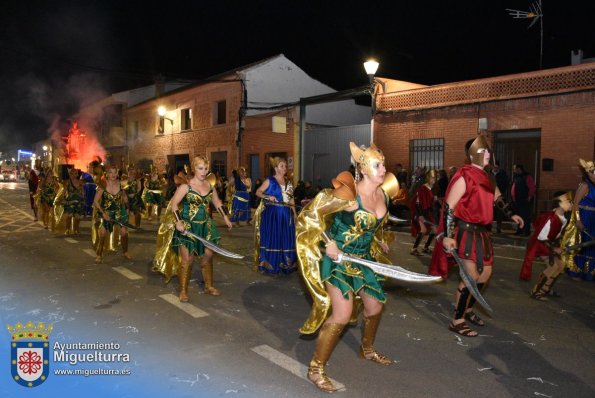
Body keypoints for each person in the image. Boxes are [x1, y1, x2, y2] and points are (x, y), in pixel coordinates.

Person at [296, 142, 400, 393]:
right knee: (342, 314)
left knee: (375, 307)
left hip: (364, 261)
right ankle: (316, 368)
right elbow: (311, 216)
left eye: (383, 163)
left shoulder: (383, 194)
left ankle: (367, 349)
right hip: (339, 261)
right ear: (363, 169)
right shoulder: (348, 194)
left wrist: (378, 241)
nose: (383, 168)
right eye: (378, 164)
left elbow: (371, 227)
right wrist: (328, 243)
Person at [435, 136, 523, 337]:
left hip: (483, 232)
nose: (489, 154)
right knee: (471, 276)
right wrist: (448, 236)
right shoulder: (464, 176)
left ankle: (467, 309)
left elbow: (498, 198)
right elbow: (449, 207)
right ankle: (457, 320)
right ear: (474, 153)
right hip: (466, 231)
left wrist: (512, 215)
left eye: (489, 151)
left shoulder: (489, 178)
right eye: (485, 151)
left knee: (484, 275)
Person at [153, 155, 232, 302]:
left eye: (206, 168)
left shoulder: (209, 186)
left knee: (209, 252)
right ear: (194, 168)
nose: (203, 171)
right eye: (200, 168)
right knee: (187, 260)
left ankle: (208, 283)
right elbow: (175, 204)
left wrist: (226, 217)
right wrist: (179, 222)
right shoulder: (186, 186)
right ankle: (183, 291)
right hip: (188, 226)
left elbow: (217, 202)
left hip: (205, 225)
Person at [516, 191, 572, 296]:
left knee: (561, 265)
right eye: (568, 201)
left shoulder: (563, 218)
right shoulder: (550, 218)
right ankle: (537, 291)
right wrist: (554, 249)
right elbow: (541, 237)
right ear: (559, 203)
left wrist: (558, 246)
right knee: (553, 266)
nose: (571, 204)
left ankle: (546, 288)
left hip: (548, 243)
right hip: (540, 244)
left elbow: (556, 235)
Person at [254, 157, 297, 274]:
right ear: (276, 168)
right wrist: (268, 197)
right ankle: (272, 264)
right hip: (274, 214)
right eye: (282, 166)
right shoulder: (270, 180)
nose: (285, 168)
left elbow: (291, 199)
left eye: (285, 166)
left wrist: (294, 214)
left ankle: (286, 264)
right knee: (275, 237)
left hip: (286, 214)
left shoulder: (289, 182)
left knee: (286, 238)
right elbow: (258, 192)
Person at [93, 166, 132, 263]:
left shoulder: (122, 184)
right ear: (107, 173)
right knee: (103, 233)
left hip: (120, 211)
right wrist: (103, 214)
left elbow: (125, 198)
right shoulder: (103, 184)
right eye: (111, 172)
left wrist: (127, 209)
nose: (113, 175)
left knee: (124, 232)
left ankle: (125, 251)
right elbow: (96, 201)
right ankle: (99, 254)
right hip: (106, 212)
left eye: (115, 172)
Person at [565, 159, 595, 281]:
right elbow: (576, 203)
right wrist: (578, 220)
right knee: (584, 244)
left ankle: (590, 272)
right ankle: (576, 271)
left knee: (592, 245)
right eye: (593, 172)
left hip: (594, 218)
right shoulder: (585, 185)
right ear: (588, 173)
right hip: (585, 216)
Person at [410, 169, 437, 256]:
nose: (434, 180)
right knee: (423, 230)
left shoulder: (431, 189)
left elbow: (430, 203)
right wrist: (420, 215)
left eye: (435, 178)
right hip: (420, 212)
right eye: (432, 178)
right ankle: (414, 249)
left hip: (428, 213)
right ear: (428, 178)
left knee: (434, 231)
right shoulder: (423, 188)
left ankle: (425, 247)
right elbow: (418, 202)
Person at [511, 164, 536, 236]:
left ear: (519, 169)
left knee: (525, 216)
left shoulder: (527, 176)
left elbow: (532, 188)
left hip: (524, 200)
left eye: (514, 169)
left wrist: (529, 197)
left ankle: (526, 231)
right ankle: (519, 230)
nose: (513, 171)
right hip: (517, 201)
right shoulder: (516, 177)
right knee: (519, 216)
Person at [61, 168, 85, 235]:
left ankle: (76, 228)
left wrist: (83, 198)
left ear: (77, 174)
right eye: (72, 174)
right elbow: (64, 191)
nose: (73, 175)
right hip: (70, 201)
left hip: (79, 201)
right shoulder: (67, 182)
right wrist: (63, 199)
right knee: (69, 216)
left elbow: (83, 191)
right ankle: (67, 229)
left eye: (75, 174)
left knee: (77, 217)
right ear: (70, 175)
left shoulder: (80, 182)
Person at [492, 161, 509, 233]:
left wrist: (501, 192)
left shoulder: (502, 174)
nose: (495, 168)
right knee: (490, 211)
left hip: (499, 195)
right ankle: (488, 228)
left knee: (499, 212)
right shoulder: (489, 173)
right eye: (494, 167)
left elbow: (506, 184)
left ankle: (498, 228)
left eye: (497, 167)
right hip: (490, 195)